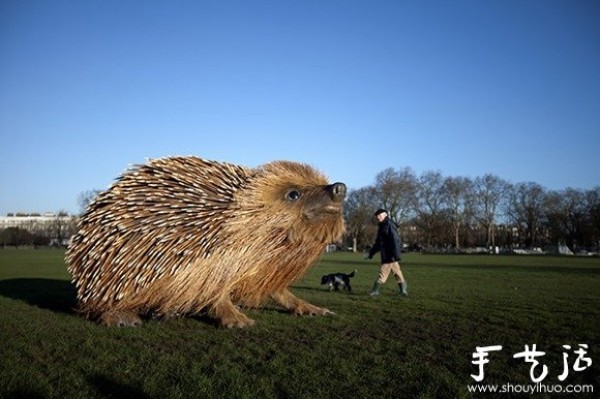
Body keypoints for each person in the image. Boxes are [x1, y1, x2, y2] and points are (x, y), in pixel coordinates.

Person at [365, 209, 408, 296]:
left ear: (385, 215)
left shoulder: (388, 225)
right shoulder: (383, 226)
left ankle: (375, 291)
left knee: (383, 273)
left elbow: (395, 240)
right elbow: (378, 243)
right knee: (397, 273)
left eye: (380, 215)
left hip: (389, 255)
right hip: (390, 255)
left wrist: (396, 254)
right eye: (377, 216)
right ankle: (403, 291)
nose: (378, 217)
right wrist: (371, 254)